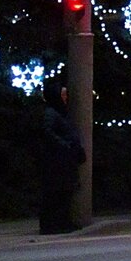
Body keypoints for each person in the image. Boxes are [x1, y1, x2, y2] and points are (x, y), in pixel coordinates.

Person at [40, 80, 85, 235]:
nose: (66, 98)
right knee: (58, 193)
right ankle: (54, 224)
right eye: (63, 94)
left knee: (64, 192)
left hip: (63, 159)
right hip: (57, 161)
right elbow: (48, 132)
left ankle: (62, 223)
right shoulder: (51, 113)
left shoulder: (59, 112)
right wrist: (66, 146)